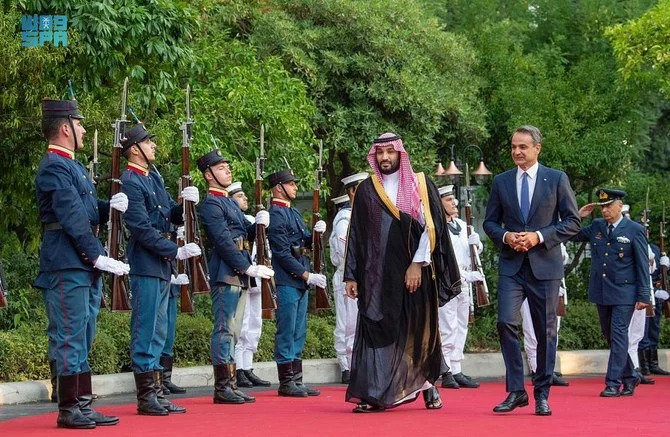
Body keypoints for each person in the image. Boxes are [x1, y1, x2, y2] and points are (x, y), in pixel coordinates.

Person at [343, 133, 461, 413]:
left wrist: (416, 265)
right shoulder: (367, 190)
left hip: (415, 272)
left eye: (390, 152)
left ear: (400, 154)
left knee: (418, 328)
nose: (385, 157)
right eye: (380, 152)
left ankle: (429, 384)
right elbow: (356, 235)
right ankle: (376, 393)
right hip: (378, 275)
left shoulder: (419, 183)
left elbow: (431, 228)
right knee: (380, 327)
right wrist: (351, 275)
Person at [36, 99, 129, 429]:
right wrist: (98, 255)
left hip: (82, 262)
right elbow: (71, 217)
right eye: (79, 123)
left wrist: (109, 208)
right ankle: (68, 408)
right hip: (67, 261)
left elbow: (86, 211)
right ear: (65, 128)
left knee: (84, 333)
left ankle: (83, 405)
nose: (84, 129)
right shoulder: (54, 166)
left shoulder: (72, 167)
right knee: (70, 335)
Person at [483, 125, 580, 416]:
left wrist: (539, 236)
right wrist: (505, 236)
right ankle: (516, 391)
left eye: (523, 147)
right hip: (512, 267)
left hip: (545, 267)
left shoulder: (556, 179)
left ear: (537, 148)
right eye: (513, 146)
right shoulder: (501, 182)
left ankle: (541, 393)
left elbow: (573, 222)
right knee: (505, 323)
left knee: (545, 333)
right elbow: (489, 223)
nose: (516, 152)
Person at [121, 123, 200, 416]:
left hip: (162, 263)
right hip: (146, 262)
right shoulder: (130, 180)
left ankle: (156, 391)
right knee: (146, 329)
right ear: (134, 149)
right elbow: (140, 228)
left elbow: (169, 215)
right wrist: (175, 251)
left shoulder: (152, 178)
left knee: (159, 330)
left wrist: (185, 204)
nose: (153, 146)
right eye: (148, 142)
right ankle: (146, 396)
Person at [197, 153, 273, 404]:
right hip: (226, 272)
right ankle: (222, 387)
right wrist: (247, 267)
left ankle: (230, 382)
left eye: (228, 167)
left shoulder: (228, 203)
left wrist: (259, 225)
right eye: (221, 168)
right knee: (225, 329)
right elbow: (223, 241)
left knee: (235, 330)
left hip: (237, 272)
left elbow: (243, 233)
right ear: (209, 175)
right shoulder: (211, 204)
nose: (228, 171)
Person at [575, 189, 651, 397]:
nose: (605, 210)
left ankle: (612, 382)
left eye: (609, 206)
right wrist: (576, 215)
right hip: (602, 291)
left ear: (620, 206)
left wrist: (644, 295)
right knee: (610, 336)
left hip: (625, 292)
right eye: (602, 207)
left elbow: (642, 264)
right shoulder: (598, 226)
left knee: (618, 335)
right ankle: (631, 375)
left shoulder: (634, 229)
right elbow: (572, 234)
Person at [267, 168, 327, 398]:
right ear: (278, 187)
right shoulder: (276, 214)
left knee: (299, 330)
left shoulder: (293, 214)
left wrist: (316, 235)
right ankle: (286, 382)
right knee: (287, 330)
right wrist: (305, 275)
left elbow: (303, 244)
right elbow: (282, 253)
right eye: (291, 184)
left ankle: (297, 379)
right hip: (287, 280)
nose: (295, 188)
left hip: (300, 281)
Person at [437, 185, 484, 389]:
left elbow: (472, 252)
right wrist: (465, 275)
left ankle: (456, 368)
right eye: (448, 200)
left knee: (461, 326)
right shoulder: (438, 228)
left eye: (453, 199)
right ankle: (446, 369)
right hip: (449, 282)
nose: (454, 203)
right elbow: (444, 260)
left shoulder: (463, 225)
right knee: (447, 327)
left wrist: (477, 244)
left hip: (465, 283)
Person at [227, 181, 272, 388]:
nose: (244, 199)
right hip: (245, 274)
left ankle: (247, 367)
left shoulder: (252, 220)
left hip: (258, 276)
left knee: (255, 324)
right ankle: (238, 369)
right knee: (241, 326)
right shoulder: (234, 221)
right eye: (239, 196)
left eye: (245, 195)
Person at [330, 172, 368, 384]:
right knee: (347, 324)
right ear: (352, 192)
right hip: (347, 275)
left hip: (361, 276)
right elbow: (348, 249)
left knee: (358, 323)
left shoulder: (361, 216)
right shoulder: (345, 218)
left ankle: (356, 363)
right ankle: (346, 365)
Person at [520, 243, 570, 386]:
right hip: (530, 285)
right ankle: (536, 369)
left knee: (552, 330)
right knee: (531, 330)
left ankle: (548, 369)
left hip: (552, 285)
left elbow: (563, 259)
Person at [639, 243, 670, 376]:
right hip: (646, 292)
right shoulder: (637, 246)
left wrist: (666, 265)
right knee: (643, 330)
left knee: (654, 328)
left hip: (656, 294)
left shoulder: (656, 249)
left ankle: (653, 364)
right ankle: (644, 365)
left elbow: (661, 275)